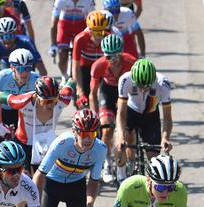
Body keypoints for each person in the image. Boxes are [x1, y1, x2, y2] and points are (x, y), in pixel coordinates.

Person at [0, 75, 74, 173]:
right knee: (23, 178)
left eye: (54, 100)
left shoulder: (63, 99)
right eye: (46, 102)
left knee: (47, 179)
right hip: (24, 144)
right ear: (37, 96)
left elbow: (71, 83)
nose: (51, 105)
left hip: (46, 145)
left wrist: (71, 81)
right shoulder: (22, 101)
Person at [115, 58, 172, 183]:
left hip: (151, 115)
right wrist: (120, 136)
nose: (143, 90)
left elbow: (167, 117)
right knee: (120, 145)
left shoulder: (163, 83)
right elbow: (121, 113)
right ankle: (121, 176)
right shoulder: (125, 80)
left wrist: (165, 137)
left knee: (153, 159)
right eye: (140, 85)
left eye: (147, 86)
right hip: (130, 112)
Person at [90, 34, 136, 184]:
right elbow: (92, 94)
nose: (113, 60)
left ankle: (131, 161)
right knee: (106, 129)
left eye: (116, 56)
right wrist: (94, 118)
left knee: (128, 131)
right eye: (109, 57)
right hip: (108, 92)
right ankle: (107, 164)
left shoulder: (130, 62)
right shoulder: (98, 65)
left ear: (121, 52)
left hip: (126, 94)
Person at [0, 48, 39, 149]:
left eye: (28, 68)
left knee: (25, 149)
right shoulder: (1, 78)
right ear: (12, 67)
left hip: (24, 114)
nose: (25, 73)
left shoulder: (37, 80)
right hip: (2, 112)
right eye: (20, 69)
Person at [72, 10, 112, 107]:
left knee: (107, 101)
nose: (98, 36)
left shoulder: (109, 38)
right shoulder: (80, 39)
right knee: (82, 102)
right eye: (95, 32)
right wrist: (80, 91)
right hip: (84, 69)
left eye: (101, 32)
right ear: (89, 30)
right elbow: (75, 67)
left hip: (102, 69)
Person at [49, 0, 95, 82]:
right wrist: (53, 44)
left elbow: (92, 21)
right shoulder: (60, 1)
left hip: (81, 26)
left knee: (82, 57)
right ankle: (65, 77)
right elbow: (53, 25)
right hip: (64, 26)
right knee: (62, 56)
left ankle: (79, 77)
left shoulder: (88, 1)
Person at [0, 17, 46, 82]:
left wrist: (43, 85)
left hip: (26, 72)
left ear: (15, 33)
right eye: (3, 36)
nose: (7, 40)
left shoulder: (26, 42)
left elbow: (41, 68)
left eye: (10, 36)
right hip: (7, 70)